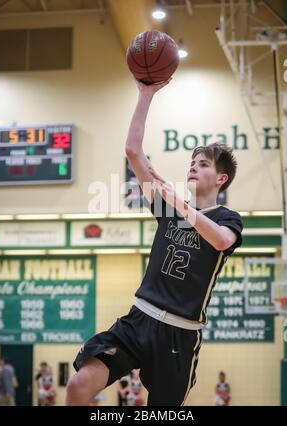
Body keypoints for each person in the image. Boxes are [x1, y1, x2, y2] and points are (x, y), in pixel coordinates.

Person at [66, 79, 243, 406]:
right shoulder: (169, 204)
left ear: (221, 179)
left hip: (180, 333)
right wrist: (145, 93)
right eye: (192, 161)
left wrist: (180, 205)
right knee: (77, 386)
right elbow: (133, 152)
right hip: (139, 319)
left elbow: (220, 242)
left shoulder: (226, 218)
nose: (193, 165)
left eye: (203, 163)